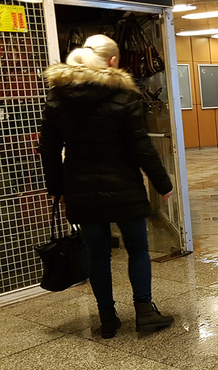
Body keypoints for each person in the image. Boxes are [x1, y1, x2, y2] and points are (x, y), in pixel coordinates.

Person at [39, 35, 174, 339]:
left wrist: (57, 187)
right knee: (138, 248)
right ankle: (144, 312)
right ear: (113, 61)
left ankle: (107, 319)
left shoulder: (58, 98)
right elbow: (141, 148)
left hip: (81, 189)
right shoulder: (124, 98)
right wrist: (162, 182)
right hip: (124, 185)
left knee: (97, 255)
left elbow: (47, 149)